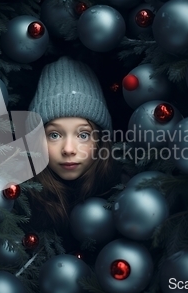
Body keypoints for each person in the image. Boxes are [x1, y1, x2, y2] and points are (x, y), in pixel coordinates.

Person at [23, 56, 122, 254]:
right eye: (54, 135)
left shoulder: (122, 195)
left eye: (83, 134)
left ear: (100, 141)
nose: (68, 149)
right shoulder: (19, 201)